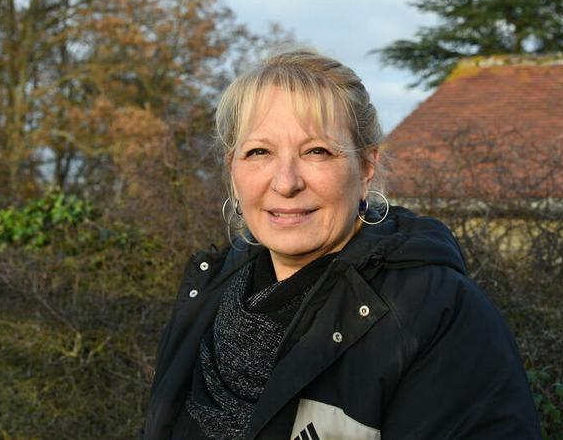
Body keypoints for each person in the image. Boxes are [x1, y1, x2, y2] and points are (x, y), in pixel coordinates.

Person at [143, 49, 541, 439]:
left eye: (317, 151)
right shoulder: (208, 294)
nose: (286, 182)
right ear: (233, 170)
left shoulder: (436, 314)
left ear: (366, 167)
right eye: (259, 151)